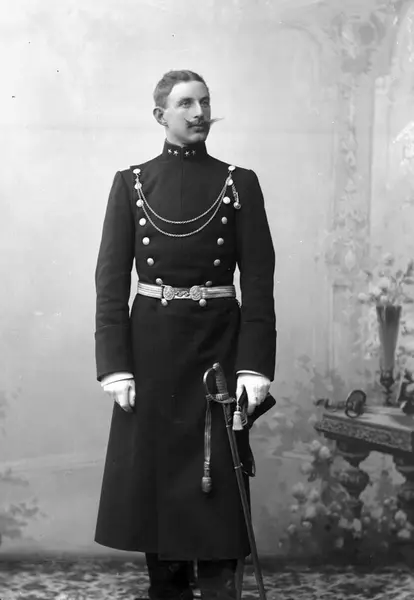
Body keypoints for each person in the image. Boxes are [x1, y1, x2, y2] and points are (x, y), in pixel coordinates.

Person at [94, 69, 277, 600]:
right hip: (151, 351)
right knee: (157, 490)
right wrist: (115, 366)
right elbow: (110, 282)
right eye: (186, 104)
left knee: (219, 483)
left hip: (219, 348)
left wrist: (255, 365)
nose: (200, 114)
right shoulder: (131, 184)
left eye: (205, 102)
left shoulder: (239, 183)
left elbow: (258, 283)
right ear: (160, 115)